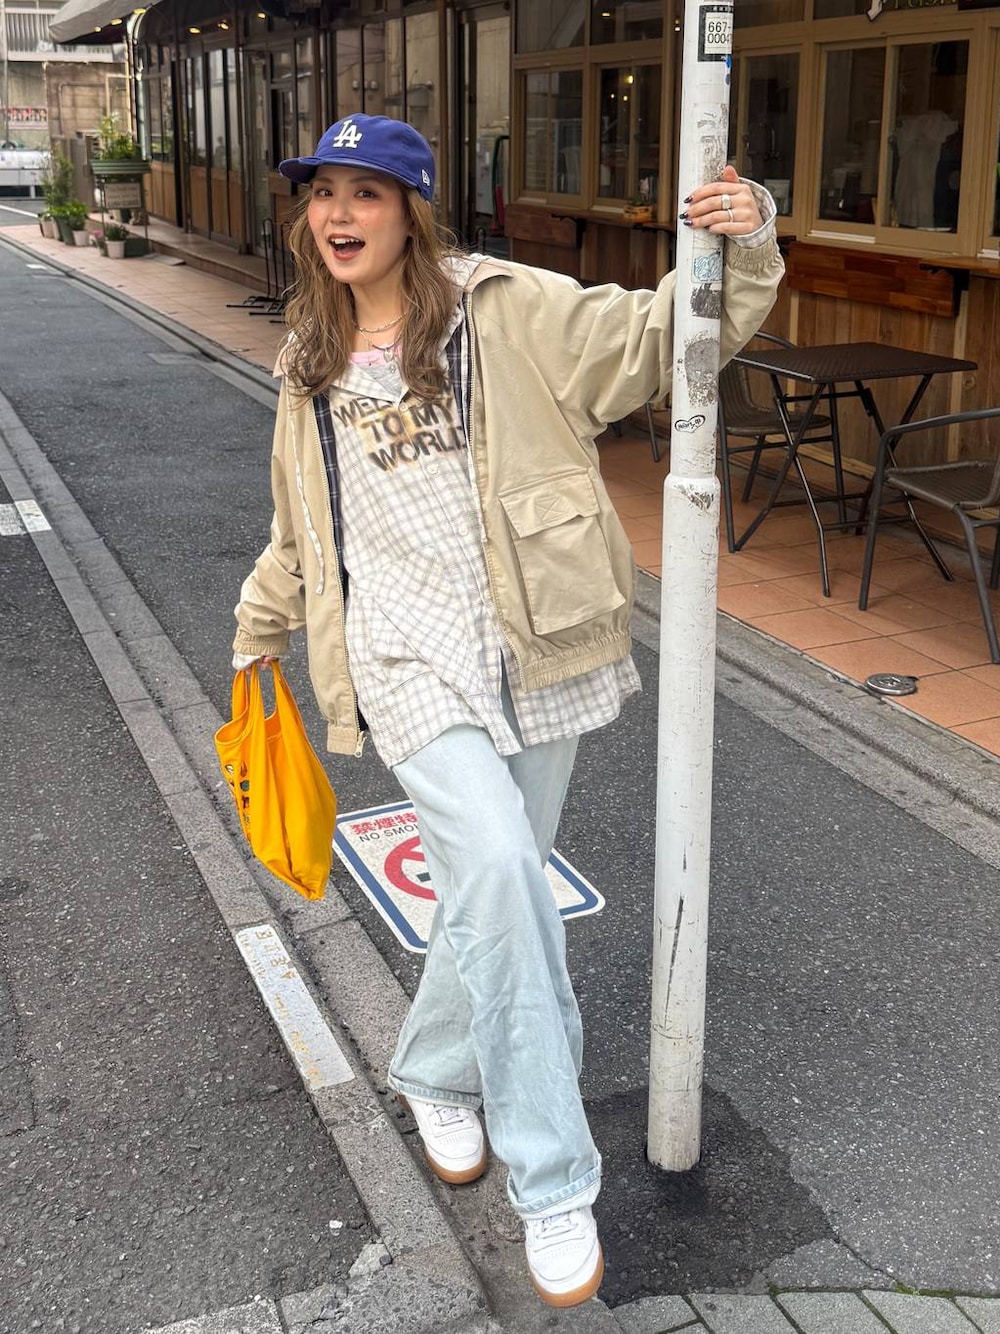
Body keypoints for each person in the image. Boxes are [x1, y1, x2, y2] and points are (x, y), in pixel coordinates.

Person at [232, 113, 783, 1309]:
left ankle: (436, 1068)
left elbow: (662, 337)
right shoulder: (306, 359)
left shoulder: (504, 309)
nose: (337, 215)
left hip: (534, 642)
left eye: (365, 193)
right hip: (401, 654)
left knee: (500, 889)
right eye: (322, 193)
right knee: (496, 867)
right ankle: (553, 1176)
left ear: (412, 210)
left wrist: (746, 243)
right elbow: (300, 522)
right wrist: (257, 624)